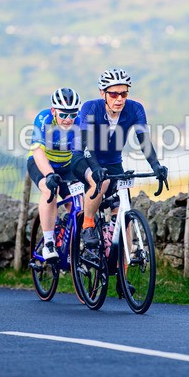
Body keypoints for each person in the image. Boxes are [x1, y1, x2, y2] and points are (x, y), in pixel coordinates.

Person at [71, 68, 168, 294]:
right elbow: (85, 145)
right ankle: (87, 225)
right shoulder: (91, 108)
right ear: (103, 93)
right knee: (101, 183)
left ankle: (121, 279)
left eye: (123, 94)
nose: (119, 99)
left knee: (123, 216)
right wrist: (95, 169)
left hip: (113, 162)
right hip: (83, 158)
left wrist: (156, 166)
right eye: (114, 94)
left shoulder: (135, 109)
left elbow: (143, 140)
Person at [27, 87, 82, 262]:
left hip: (66, 165)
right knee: (50, 190)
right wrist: (49, 174)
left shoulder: (80, 122)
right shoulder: (43, 119)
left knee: (79, 201)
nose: (68, 119)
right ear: (53, 111)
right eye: (63, 114)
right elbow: (38, 151)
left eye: (72, 114)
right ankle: (48, 243)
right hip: (42, 163)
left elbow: (85, 152)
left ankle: (70, 237)